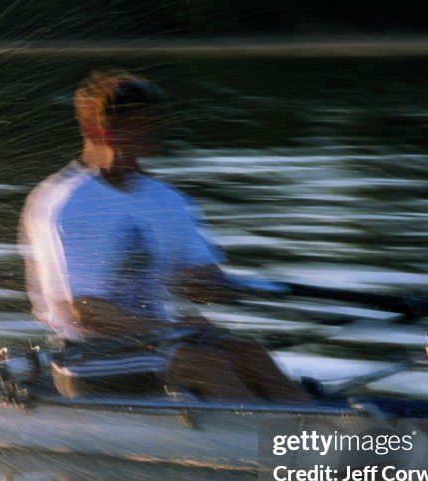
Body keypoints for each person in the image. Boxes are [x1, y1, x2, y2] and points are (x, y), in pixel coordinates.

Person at [20, 70, 310, 402]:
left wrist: (206, 285)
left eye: (148, 127)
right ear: (93, 130)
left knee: (249, 351)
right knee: (206, 363)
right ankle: (271, 444)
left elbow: (203, 280)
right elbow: (85, 312)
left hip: (157, 344)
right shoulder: (66, 202)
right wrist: (173, 331)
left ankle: (321, 439)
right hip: (90, 357)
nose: (143, 140)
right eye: (128, 128)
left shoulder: (167, 200)